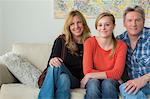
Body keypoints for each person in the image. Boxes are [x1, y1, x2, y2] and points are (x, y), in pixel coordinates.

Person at [38, 10, 91, 99]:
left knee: (57, 67)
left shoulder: (90, 42)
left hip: (78, 80)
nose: (76, 26)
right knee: (63, 78)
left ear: (84, 24)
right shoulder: (61, 41)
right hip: (62, 75)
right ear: (68, 27)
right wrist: (52, 60)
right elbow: (50, 65)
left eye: (79, 22)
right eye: (72, 24)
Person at [80, 12, 127, 99]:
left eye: (107, 25)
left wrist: (89, 75)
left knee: (108, 83)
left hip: (111, 81)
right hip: (93, 80)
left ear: (114, 26)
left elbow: (117, 73)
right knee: (93, 84)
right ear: (97, 27)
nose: (103, 28)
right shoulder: (89, 42)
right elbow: (87, 70)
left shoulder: (121, 45)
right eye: (100, 25)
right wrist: (111, 74)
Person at [117, 5, 150, 99]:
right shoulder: (119, 41)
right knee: (125, 88)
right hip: (135, 84)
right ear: (124, 23)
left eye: (137, 20)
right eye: (130, 20)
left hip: (147, 81)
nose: (134, 24)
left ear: (143, 22)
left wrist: (144, 78)